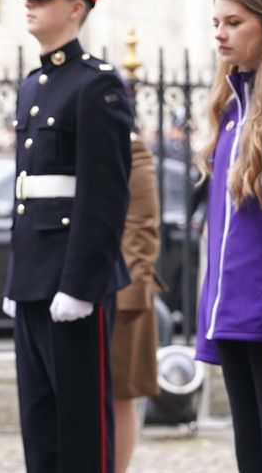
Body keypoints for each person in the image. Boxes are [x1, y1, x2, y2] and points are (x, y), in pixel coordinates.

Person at [1, 0, 133, 473]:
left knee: (81, 427)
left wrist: (80, 285)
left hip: (73, 282)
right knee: (40, 425)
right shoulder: (33, 84)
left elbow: (105, 196)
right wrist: (16, 281)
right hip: (33, 279)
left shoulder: (97, 84)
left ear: (77, 6)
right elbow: (25, 191)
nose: (29, 5)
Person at [195, 0, 262, 473]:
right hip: (232, 308)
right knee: (249, 449)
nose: (220, 34)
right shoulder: (229, 110)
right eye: (216, 23)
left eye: (234, 22)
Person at [112, 130, 164, 473]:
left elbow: (142, 225)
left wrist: (129, 295)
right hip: (80, 287)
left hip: (123, 294)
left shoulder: (128, 144)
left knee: (119, 396)